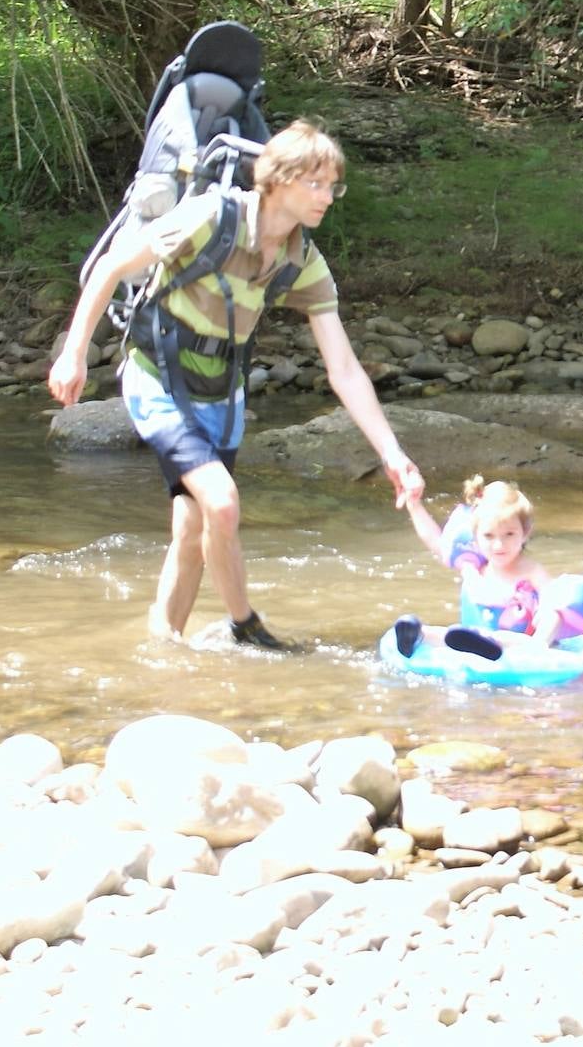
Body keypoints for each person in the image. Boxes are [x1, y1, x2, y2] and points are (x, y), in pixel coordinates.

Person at [48, 118, 424, 651]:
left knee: (191, 529)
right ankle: (246, 626)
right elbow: (111, 266)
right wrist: (74, 354)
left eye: (332, 186)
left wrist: (392, 453)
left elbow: (343, 368)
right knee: (222, 504)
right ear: (278, 180)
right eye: (315, 184)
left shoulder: (304, 264)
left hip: (222, 396)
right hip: (157, 378)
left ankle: (163, 646)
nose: (327, 198)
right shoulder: (209, 218)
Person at [393, 475, 583, 660]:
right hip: (473, 636)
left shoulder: (531, 570)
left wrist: (545, 626)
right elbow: (435, 540)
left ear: (525, 533)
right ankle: (417, 634)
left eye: (509, 534)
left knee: (552, 612)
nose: (499, 545)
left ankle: (520, 646)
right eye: (489, 536)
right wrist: (414, 506)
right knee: (445, 635)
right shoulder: (473, 569)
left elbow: (553, 600)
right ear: (475, 538)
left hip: (521, 643)